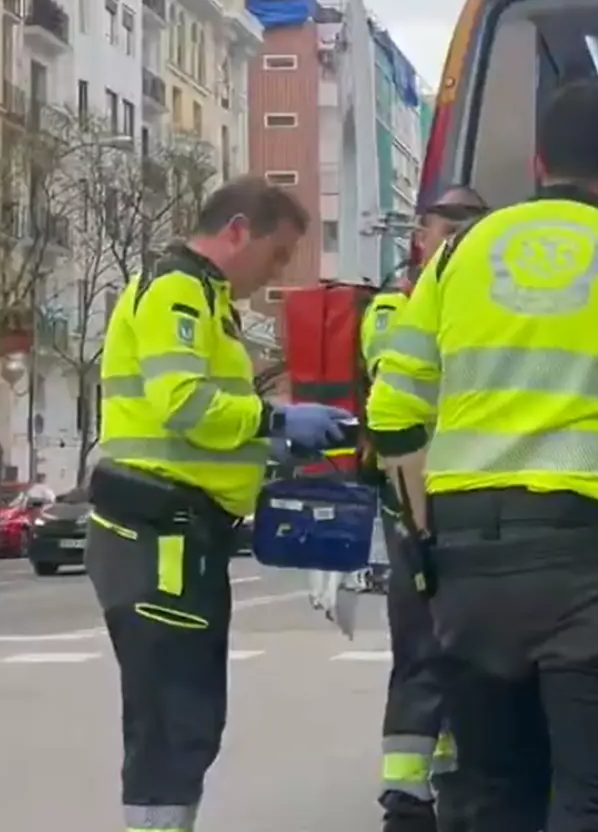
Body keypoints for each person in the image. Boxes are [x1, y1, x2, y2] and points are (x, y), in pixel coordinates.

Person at [364, 79, 598, 832]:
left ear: (536, 161)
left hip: (468, 572)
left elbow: (393, 410)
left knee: (494, 792)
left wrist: (426, 522)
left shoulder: (459, 253)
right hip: (592, 569)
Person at [88, 177, 353, 832]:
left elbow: (209, 429)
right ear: (238, 230)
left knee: (189, 716)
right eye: (278, 252)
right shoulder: (178, 291)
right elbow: (184, 407)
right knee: (172, 722)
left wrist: (273, 453)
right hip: (158, 536)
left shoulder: (207, 301)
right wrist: (277, 422)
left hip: (181, 533)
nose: (277, 271)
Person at [360, 185, 489, 832]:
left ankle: (456, 778)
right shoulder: (394, 308)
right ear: (420, 234)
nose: (459, 237)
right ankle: (406, 801)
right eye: (449, 226)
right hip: (415, 499)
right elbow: (401, 388)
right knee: (420, 647)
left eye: (472, 227)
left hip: (475, 498)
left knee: (469, 646)